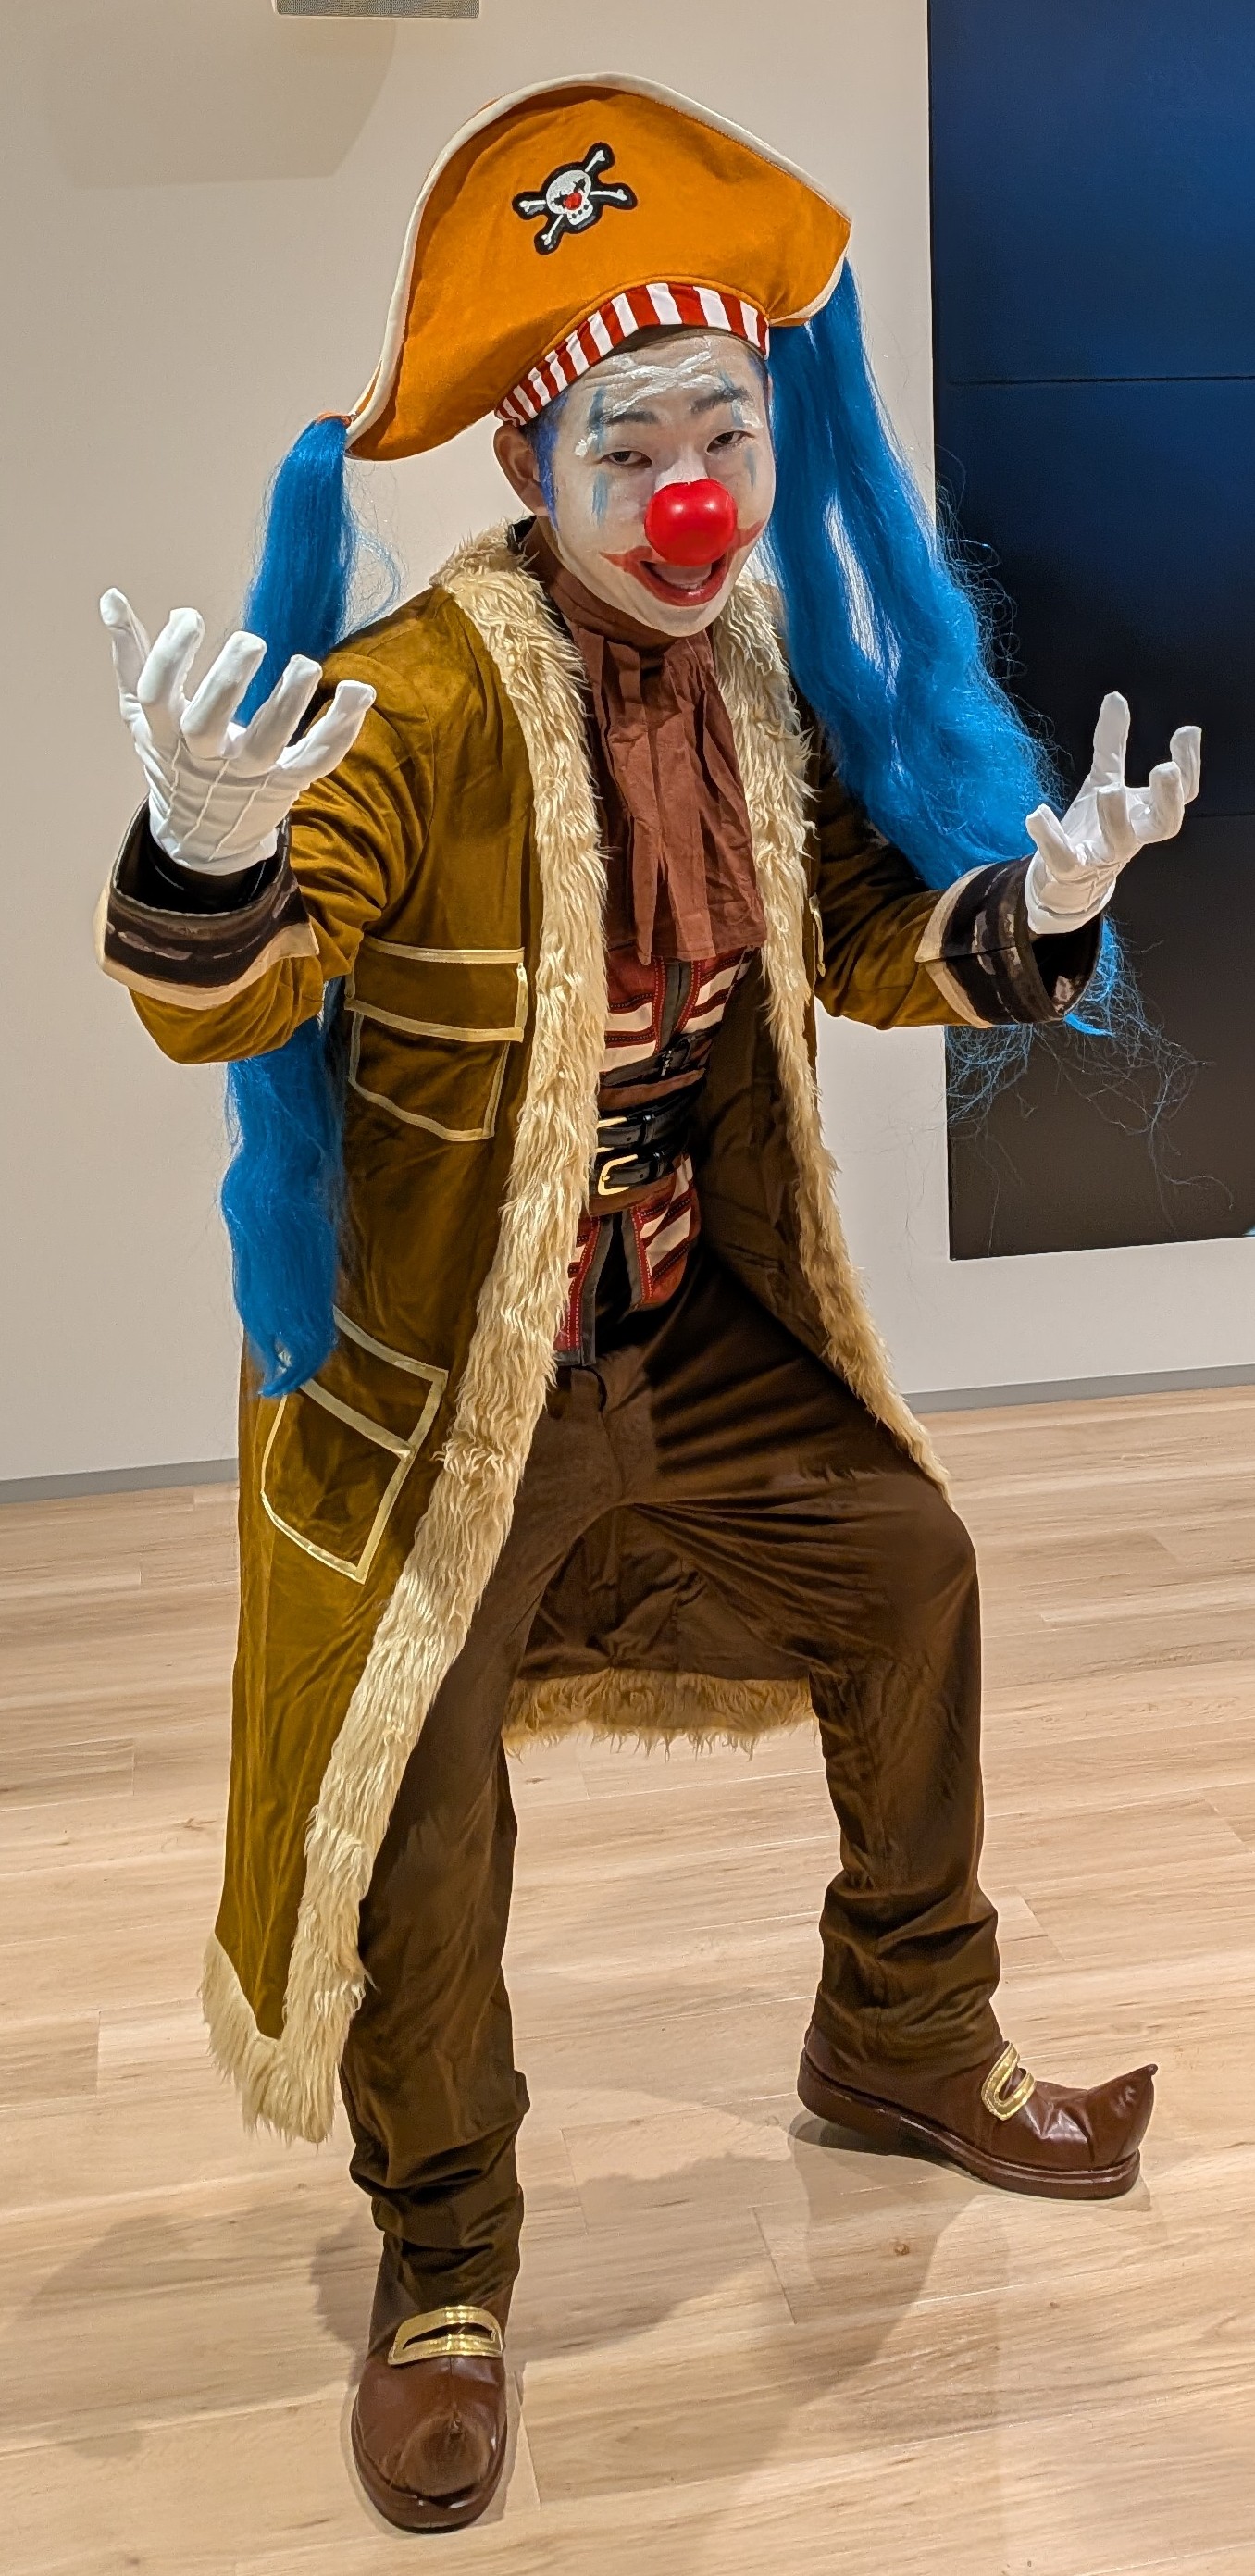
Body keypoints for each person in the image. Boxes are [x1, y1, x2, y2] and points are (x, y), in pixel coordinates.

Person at [96, 76, 1199, 2535]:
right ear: (534, 463)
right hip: (449, 1405)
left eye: (726, 434)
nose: (693, 491)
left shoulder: (752, 676)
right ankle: (446, 2264)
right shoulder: (413, 702)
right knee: (419, 1813)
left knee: (908, 1575)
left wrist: (1034, 912)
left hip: (690, 1344)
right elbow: (234, 985)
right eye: (634, 444)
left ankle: (900, 2039)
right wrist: (204, 843)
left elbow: (853, 942)